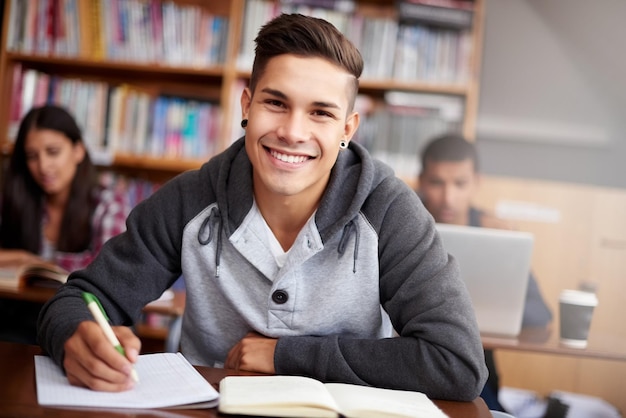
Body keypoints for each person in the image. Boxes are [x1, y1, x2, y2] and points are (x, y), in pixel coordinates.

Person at [38, 13, 488, 399]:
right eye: (276, 103)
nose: (293, 131)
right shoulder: (191, 197)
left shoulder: (390, 211)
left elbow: (457, 363)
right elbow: (79, 298)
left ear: (347, 128)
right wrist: (73, 335)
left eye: (320, 113)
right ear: (248, 105)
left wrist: (286, 356)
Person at [417, 133, 553, 411]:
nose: (448, 198)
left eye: (460, 184)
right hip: (412, 361)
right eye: (437, 183)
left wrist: (510, 257)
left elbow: (540, 313)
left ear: (477, 183)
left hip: (476, 371)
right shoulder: (403, 226)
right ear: (421, 181)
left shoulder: (497, 235)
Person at [0, 104, 130, 343]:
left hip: (82, 321)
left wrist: (37, 262)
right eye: (32, 156)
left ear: (78, 150)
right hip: (16, 321)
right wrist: (22, 258)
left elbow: (107, 267)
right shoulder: (18, 198)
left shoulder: (107, 202)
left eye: (53, 151)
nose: (43, 166)